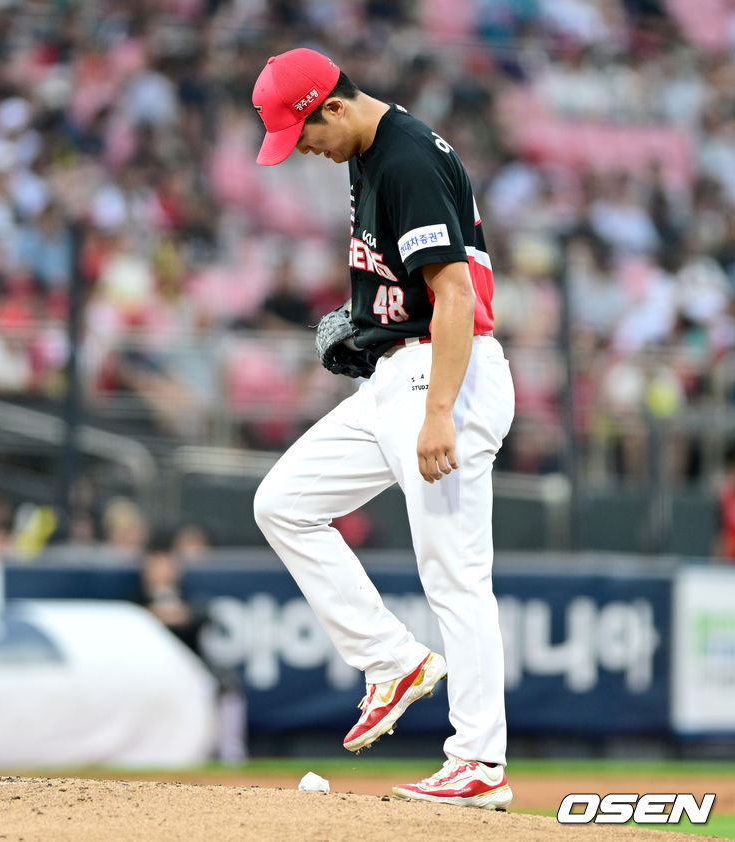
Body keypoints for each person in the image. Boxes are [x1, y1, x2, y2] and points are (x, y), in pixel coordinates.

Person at [251, 49, 515, 811]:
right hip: (399, 374)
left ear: (332, 105)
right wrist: (369, 327)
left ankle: (478, 763)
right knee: (284, 502)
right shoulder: (367, 155)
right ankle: (391, 660)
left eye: (302, 133)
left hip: (444, 375)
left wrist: (440, 413)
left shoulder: (402, 159)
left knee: (456, 576)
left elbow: (457, 296)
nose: (302, 148)